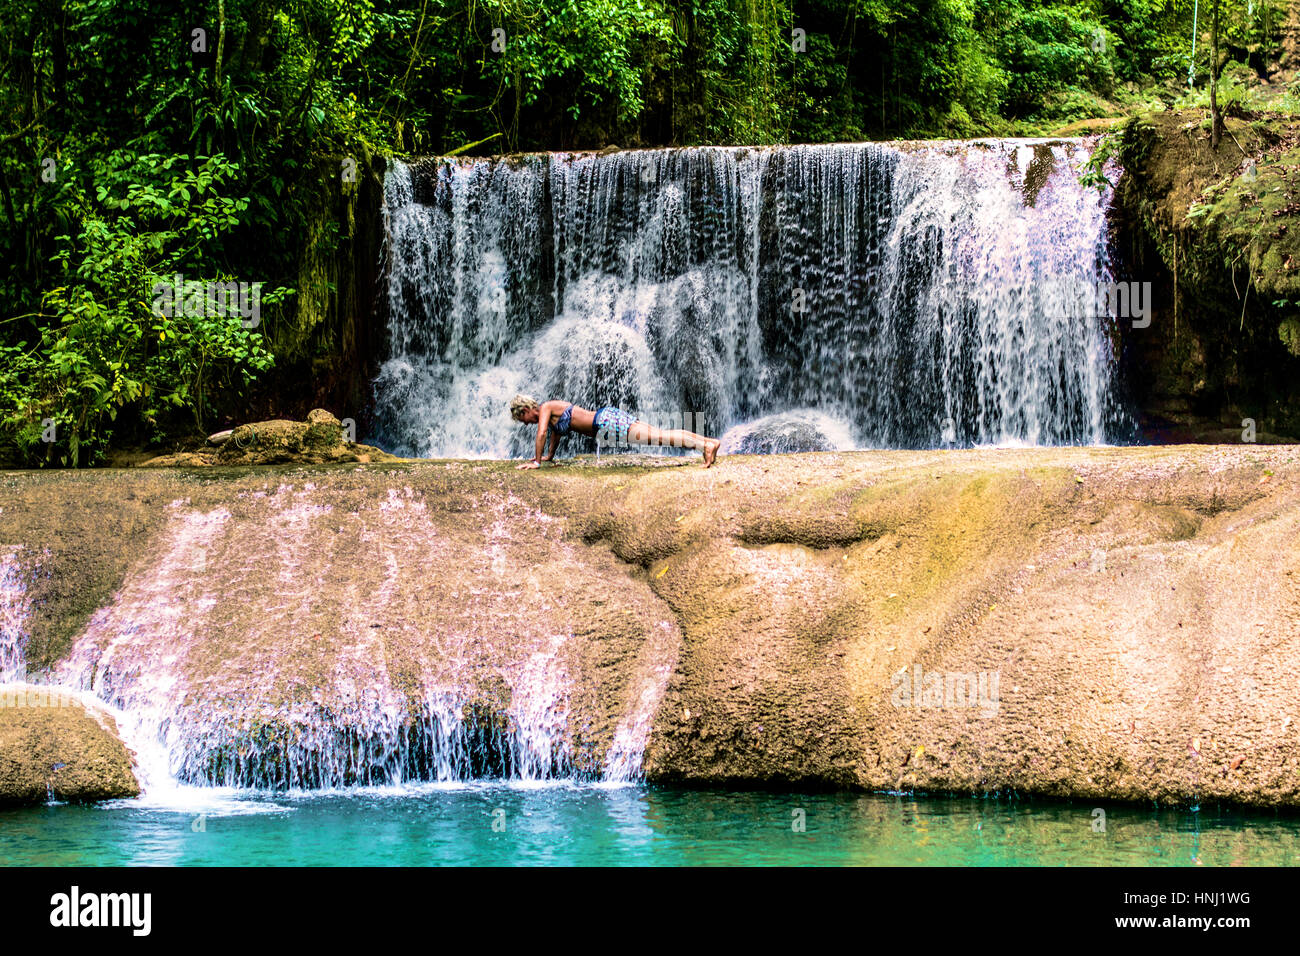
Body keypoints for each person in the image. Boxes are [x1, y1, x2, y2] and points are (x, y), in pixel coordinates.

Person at [509, 394, 720, 468]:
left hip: (606, 423)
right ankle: (708, 442)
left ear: (527, 410)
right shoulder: (552, 413)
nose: (525, 423)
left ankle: (705, 445)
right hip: (606, 419)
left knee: (660, 437)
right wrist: (549, 456)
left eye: (522, 418)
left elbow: (542, 434)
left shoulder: (546, 408)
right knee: (660, 434)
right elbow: (555, 434)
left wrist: (536, 462)